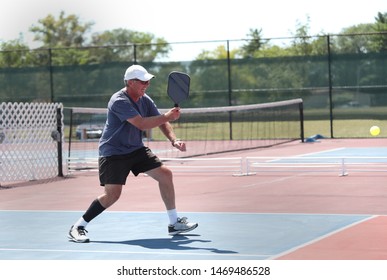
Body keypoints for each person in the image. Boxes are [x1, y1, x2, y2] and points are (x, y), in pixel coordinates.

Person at [68, 64, 198, 243]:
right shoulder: (119, 100)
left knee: (165, 174)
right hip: (113, 152)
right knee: (112, 195)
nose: (147, 84)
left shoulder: (145, 99)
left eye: (148, 81)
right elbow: (142, 124)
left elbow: (160, 121)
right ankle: (78, 226)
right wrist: (168, 116)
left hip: (135, 149)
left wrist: (173, 139)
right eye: (142, 81)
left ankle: (174, 223)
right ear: (130, 82)